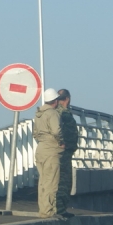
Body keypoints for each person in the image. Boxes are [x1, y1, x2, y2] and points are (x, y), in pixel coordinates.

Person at [33, 88, 65, 218]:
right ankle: (48, 212)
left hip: (41, 148)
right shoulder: (52, 113)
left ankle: (43, 210)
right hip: (51, 149)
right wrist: (61, 142)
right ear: (55, 101)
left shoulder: (38, 114)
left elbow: (35, 133)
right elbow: (57, 131)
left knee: (42, 182)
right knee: (51, 182)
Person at [56, 89, 78, 218]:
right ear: (68, 99)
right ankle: (60, 209)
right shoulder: (63, 113)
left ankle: (60, 208)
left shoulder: (57, 112)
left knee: (61, 180)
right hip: (63, 151)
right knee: (64, 181)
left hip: (64, 150)